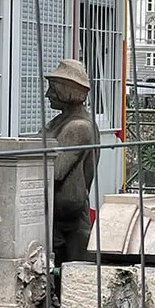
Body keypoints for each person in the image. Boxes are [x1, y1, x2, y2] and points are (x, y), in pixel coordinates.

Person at [42, 59, 100, 267]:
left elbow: (54, 171)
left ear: (67, 92)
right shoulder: (61, 122)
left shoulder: (77, 128)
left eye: (53, 89)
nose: (48, 94)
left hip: (68, 223)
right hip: (58, 217)